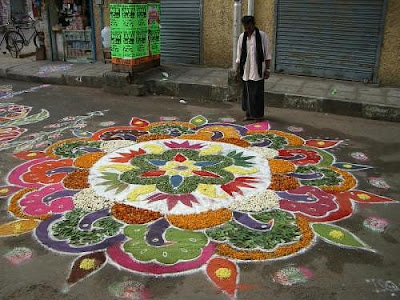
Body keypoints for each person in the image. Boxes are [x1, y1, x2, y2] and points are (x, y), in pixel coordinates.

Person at [235, 16, 271, 121]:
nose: (248, 30)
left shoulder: (263, 36)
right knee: (246, 93)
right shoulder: (242, 37)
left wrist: (267, 70)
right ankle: (248, 114)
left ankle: (258, 115)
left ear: (253, 25)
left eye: (249, 28)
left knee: (257, 94)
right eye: (245, 28)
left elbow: (267, 55)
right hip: (246, 70)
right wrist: (237, 71)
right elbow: (239, 55)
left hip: (257, 71)